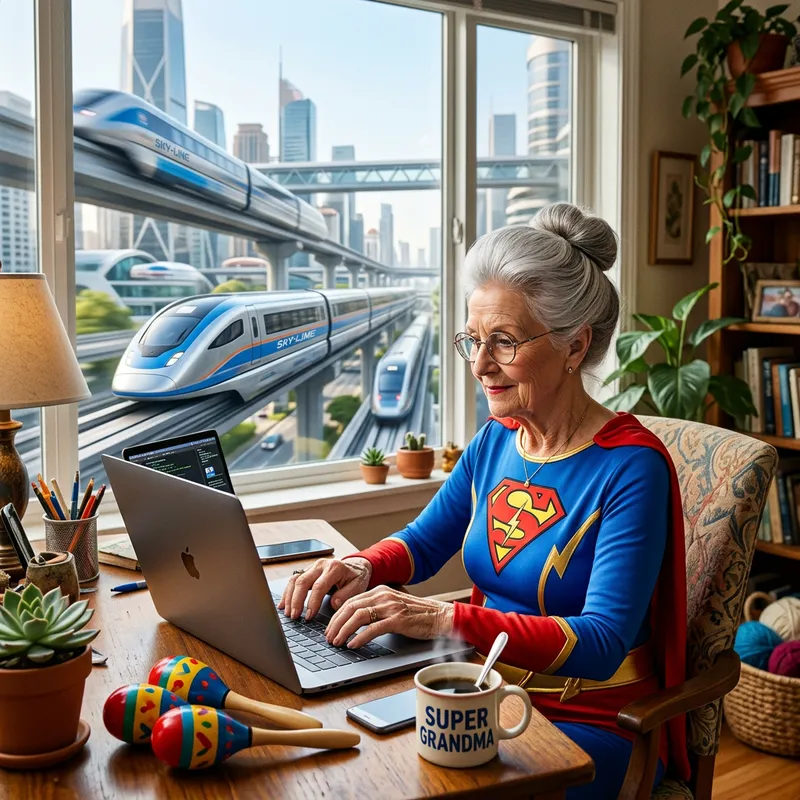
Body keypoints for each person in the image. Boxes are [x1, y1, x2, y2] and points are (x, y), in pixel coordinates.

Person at [280, 203, 689, 799]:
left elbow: (602, 644)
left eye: (502, 341)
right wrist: (362, 565)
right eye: (472, 339)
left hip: (588, 723)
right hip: (478, 690)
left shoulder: (632, 467)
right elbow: (425, 542)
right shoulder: (498, 438)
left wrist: (446, 619)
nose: (478, 365)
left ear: (575, 346)